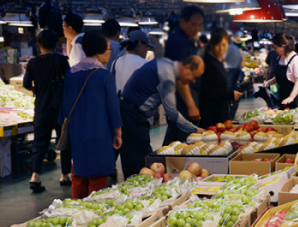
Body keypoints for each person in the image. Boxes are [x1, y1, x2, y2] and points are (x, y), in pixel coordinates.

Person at [58, 31, 123, 199]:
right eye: (108, 48)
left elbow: (64, 107)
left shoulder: (70, 74)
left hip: (77, 134)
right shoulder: (104, 76)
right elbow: (113, 108)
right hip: (99, 134)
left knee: (79, 176)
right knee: (98, 179)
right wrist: (117, 132)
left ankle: (76, 213)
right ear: (99, 50)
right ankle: (91, 217)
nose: (110, 52)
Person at [119, 56, 205, 179]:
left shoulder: (166, 63)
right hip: (133, 115)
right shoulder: (168, 77)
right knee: (143, 163)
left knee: (129, 159)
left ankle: (130, 190)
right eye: (194, 76)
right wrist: (195, 130)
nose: (193, 81)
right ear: (187, 68)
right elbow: (172, 113)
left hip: (126, 109)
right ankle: (142, 193)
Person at [23, 29, 71, 193]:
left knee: (39, 143)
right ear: (56, 45)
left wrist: (37, 89)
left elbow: (26, 84)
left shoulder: (33, 62)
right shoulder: (61, 60)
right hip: (59, 109)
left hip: (42, 109)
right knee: (63, 142)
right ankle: (65, 175)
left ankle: (35, 176)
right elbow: (69, 81)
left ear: (39, 45)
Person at [164, 5, 203, 145]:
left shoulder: (186, 39)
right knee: (184, 141)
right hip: (182, 100)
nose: (197, 28)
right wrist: (191, 105)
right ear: (183, 22)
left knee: (181, 138)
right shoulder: (178, 41)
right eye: (193, 24)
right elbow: (179, 77)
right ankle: (178, 166)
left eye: (199, 25)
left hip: (185, 97)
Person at [199, 29, 243, 129]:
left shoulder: (218, 61)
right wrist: (230, 94)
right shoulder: (208, 63)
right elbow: (208, 92)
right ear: (212, 44)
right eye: (217, 44)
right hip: (212, 115)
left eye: (224, 45)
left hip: (220, 112)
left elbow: (218, 85)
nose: (221, 48)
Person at [260, 32, 298, 109]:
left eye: (275, 47)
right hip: (283, 98)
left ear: (283, 46)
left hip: (296, 100)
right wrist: (268, 83)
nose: (275, 50)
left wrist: (291, 97)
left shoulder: (296, 59)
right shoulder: (279, 58)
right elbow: (279, 77)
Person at [224, 38, 244, 120]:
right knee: (235, 96)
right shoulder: (238, 50)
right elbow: (240, 62)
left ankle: (228, 115)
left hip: (228, 73)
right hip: (235, 74)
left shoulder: (229, 48)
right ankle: (231, 115)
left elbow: (224, 59)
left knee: (228, 95)